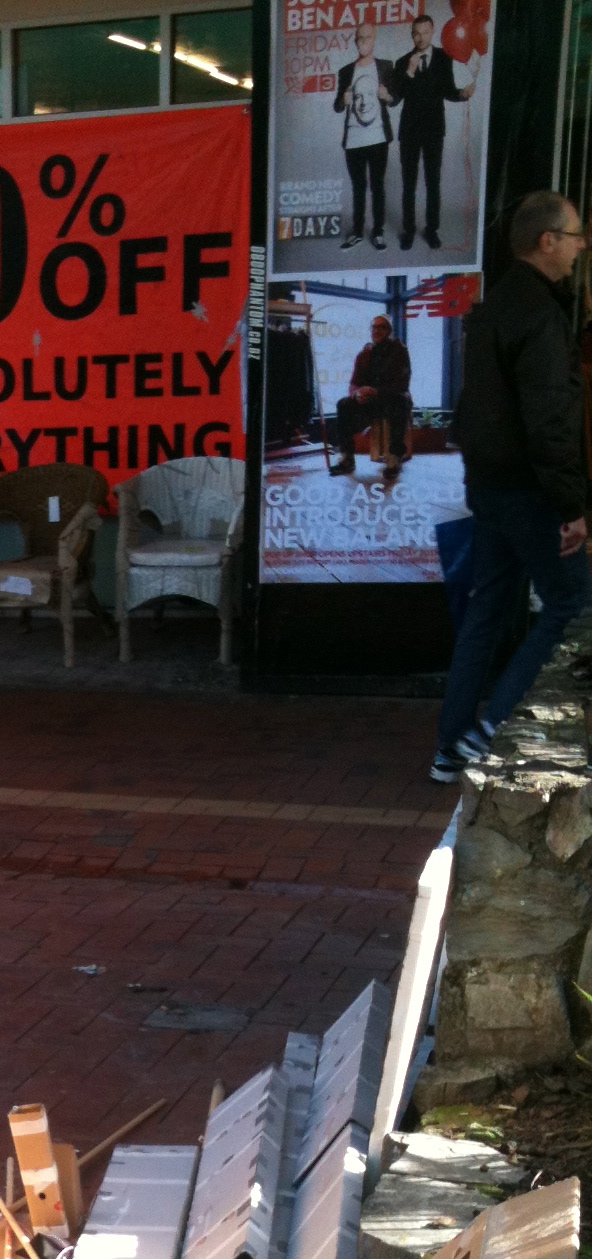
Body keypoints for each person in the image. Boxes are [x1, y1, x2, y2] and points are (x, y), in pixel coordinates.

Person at [431, 191, 591, 784]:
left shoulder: (494, 306)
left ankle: (450, 747)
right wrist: (573, 507)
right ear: (546, 241)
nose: (581, 247)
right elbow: (549, 423)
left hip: (490, 488)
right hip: (530, 492)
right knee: (574, 604)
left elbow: (477, 408)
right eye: (575, 235)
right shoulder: (541, 316)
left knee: (488, 610)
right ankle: (492, 729)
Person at [390, 12, 474, 253]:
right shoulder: (403, 61)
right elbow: (397, 97)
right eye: (416, 33)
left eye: (425, 32)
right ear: (412, 35)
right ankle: (408, 230)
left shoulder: (443, 58)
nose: (420, 37)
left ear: (432, 31)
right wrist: (409, 72)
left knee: (433, 182)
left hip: (435, 131)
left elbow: (447, 90)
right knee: (408, 184)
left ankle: (431, 230)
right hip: (409, 132)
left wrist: (461, 94)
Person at [335, 22, 396, 252]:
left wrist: (386, 95)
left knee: (378, 186)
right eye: (360, 38)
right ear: (355, 41)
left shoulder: (385, 67)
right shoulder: (346, 72)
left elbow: (395, 99)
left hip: (378, 137)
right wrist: (343, 100)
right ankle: (357, 232)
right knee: (358, 187)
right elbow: (337, 107)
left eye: (368, 38)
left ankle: (378, 231)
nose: (363, 42)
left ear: (374, 40)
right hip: (354, 139)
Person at [332, 316, 412, 481]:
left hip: (390, 397)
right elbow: (354, 382)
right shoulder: (365, 353)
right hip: (370, 400)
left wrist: (376, 391)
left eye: (381, 327)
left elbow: (402, 384)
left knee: (400, 402)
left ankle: (395, 457)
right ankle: (347, 456)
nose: (376, 330)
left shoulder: (399, 350)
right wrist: (357, 394)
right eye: (374, 327)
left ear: (389, 330)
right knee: (344, 404)